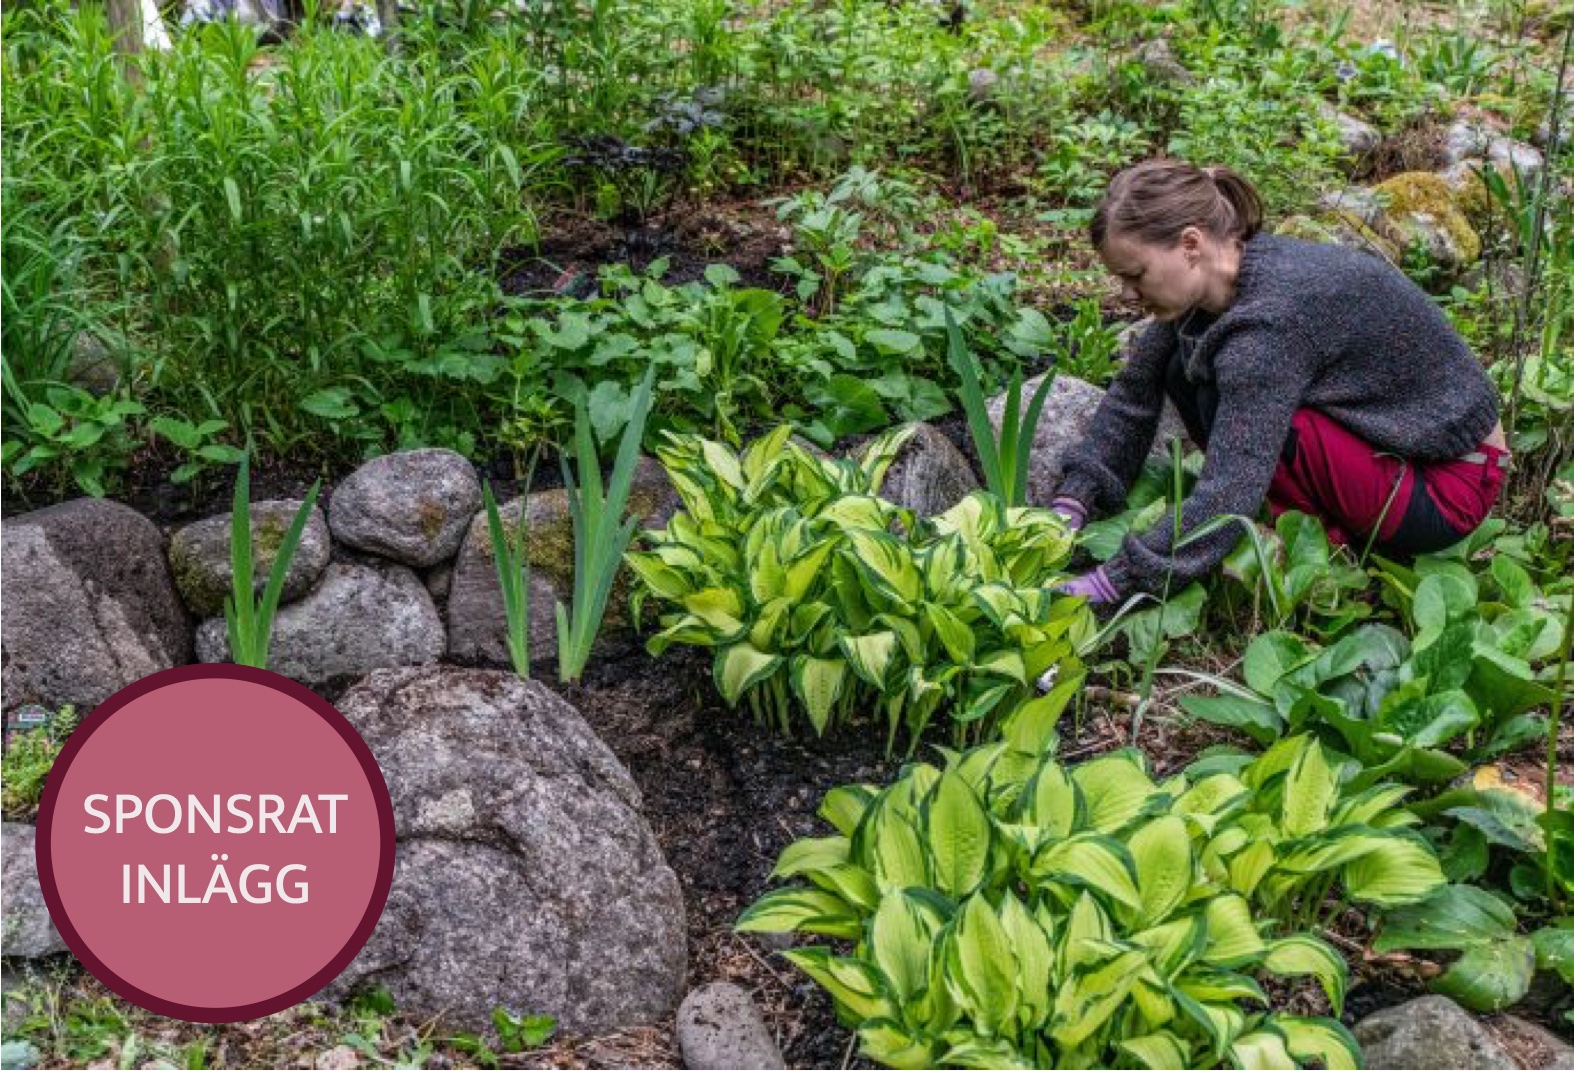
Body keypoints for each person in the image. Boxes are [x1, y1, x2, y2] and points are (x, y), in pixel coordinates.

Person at [1053, 159, 1508, 605]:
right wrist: (1074, 502)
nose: (1127, 294)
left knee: (1279, 427)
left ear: (1190, 244)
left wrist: (1117, 581)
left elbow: (1230, 490)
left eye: (1135, 275)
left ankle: (1334, 556)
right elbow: (1133, 394)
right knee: (1179, 369)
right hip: (1396, 447)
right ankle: (1312, 524)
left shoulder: (1268, 329)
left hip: (1447, 485)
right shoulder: (1221, 281)